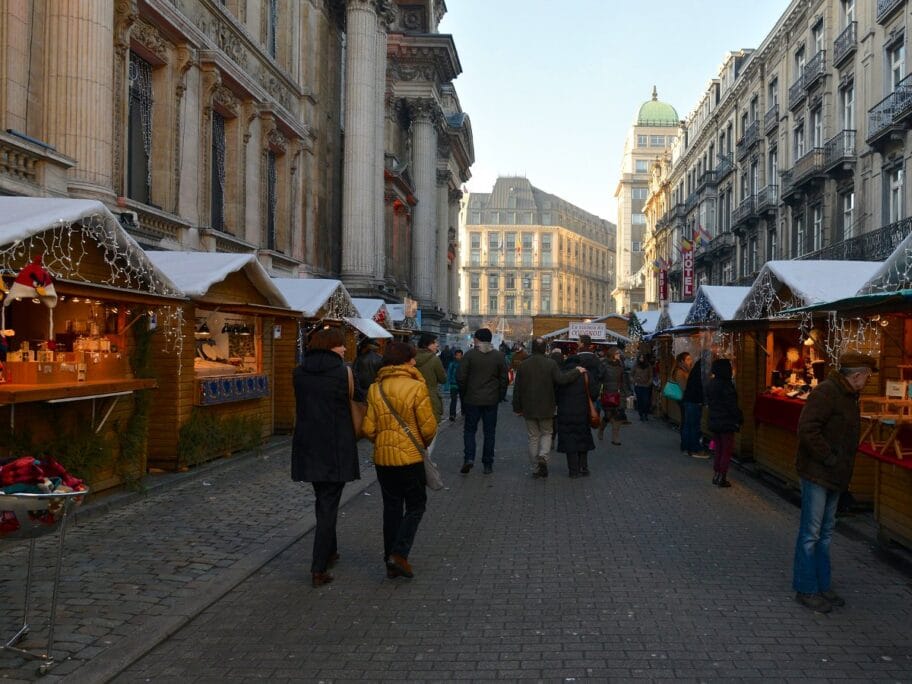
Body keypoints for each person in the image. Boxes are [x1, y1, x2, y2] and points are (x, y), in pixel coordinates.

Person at [792, 351, 877, 613]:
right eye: (868, 376)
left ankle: (821, 584)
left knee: (825, 533)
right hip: (819, 472)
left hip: (835, 475)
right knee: (812, 533)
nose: (869, 380)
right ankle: (807, 588)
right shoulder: (828, 393)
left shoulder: (849, 396)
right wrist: (828, 456)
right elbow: (807, 428)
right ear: (858, 375)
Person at [291, 328, 361, 588]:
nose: (344, 349)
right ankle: (318, 567)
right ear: (332, 346)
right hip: (336, 447)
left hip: (308, 445)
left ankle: (330, 552)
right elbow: (360, 398)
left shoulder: (298, 372)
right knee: (328, 506)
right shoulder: (343, 373)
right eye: (341, 346)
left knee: (323, 499)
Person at [362, 342, 437, 580]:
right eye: (412, 359)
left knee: (392, 508)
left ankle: (389, 562)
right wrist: (421, 441)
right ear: (406, 362)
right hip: (410, 457)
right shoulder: (416, 387)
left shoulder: (376, 388)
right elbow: (428, 427)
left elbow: (368, 428)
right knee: (416, 505)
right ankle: (399, 553)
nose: (415, 362)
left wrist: (383, 440)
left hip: (383, 460)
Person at [513, 337, 585, 478]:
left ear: (532, 348)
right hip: (547, 406)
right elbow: (562, 380)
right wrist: (577, 371)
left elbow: (517, 388)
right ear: (545, 348)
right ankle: (543, 456)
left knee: (533, 437)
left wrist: (517, 407)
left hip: (528, 407)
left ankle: (535, 468)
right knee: (547, 433)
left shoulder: (523, 365)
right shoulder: (551, 364)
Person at [456, 327, 508, 474]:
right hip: (491, 400)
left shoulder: (470, 355)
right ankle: (487, 464)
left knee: (470, 431)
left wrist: (464, 394)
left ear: (477, 339)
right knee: (489, 432)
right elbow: (504, 379)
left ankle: (469, 458)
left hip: (472, 399)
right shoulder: (499, 356)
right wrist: (500, 396)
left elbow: (461, 377)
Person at [555, 353, 597, 477]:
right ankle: (583, 467)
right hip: (582, 413)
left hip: (565, 413)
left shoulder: (561, 375)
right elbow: (594, 394)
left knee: (569, 441)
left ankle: (573, 471)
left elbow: (556, 394)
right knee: (582, 439)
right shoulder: (586, 374)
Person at [705, 358, 743, 488]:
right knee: (726, 450)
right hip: (726, 421)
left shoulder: (712, 383)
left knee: (718, 449)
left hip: (715, 420)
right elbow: (731, 405)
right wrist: (739, 417)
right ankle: (722, 476)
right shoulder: (726, 385)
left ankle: (716, 474)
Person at [598, 345, 630, 445]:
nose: (619, 355)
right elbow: (599, 378)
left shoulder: (621, 365)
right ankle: (601, 429)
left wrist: (626, 393)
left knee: (618, 416)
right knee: (607, 416)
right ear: (612, 354)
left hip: (618, 393)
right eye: (617, 353)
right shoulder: (603, 364)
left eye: (619, 353)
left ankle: (615, 437)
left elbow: (624, 380)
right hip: (607, 393)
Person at [682, 353, 709, 458]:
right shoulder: (701, 372)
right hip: (694, 401)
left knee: (688, 425)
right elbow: (700, 388)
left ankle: (686, 448)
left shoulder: (695, 369)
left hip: (689, 400)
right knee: (694, 426)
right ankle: (695, 449)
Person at [415, 332, 446, 422]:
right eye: (434, 342)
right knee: (430, 428)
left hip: (413, 396)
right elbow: (443, 379)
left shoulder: (411, 358)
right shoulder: (435, 359)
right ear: (427, 344)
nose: (437, 345)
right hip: (430, 398)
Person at [631, 352, 654, 422]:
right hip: (638, 386)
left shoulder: (648, 366)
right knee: (639, 401)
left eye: (642, 358)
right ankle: (641, 414)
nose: (641, 359)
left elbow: (651, 375)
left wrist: (649, 383)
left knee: (646, 400)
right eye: (640, 358)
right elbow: (631, 374)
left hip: (646, 386)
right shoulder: (636, 366)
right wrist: (634, 381)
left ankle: (645, 413)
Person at [446, 349, 464, 421]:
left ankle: (464, 412)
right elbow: (449, 374)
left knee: (463, 399)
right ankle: (452, 414)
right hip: (453, 385)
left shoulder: (464, 364)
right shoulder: (452, 364)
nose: (458, 357)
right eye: (457, 355)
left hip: (462, 384)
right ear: (455, 355)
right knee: (453, 400)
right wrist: (447, 385)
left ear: (462, 355)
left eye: (460, 355)